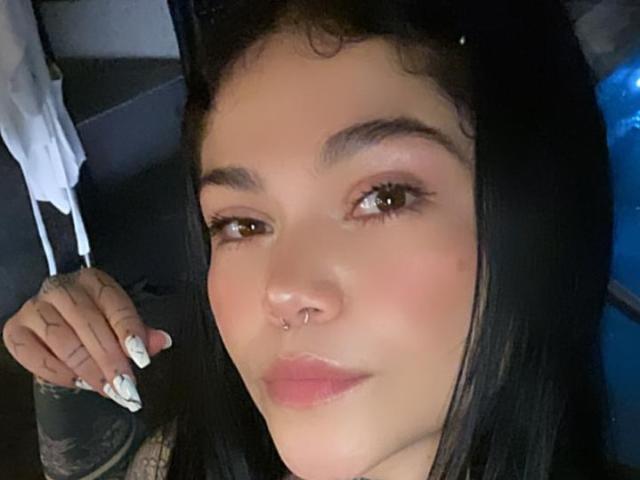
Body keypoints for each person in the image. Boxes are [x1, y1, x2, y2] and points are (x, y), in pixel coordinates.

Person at [1, 0, 630, 478]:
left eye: (384, 198)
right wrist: (74, 389)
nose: (283, 291)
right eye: (241, 224)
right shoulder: (176, 458)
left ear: (543, 215)